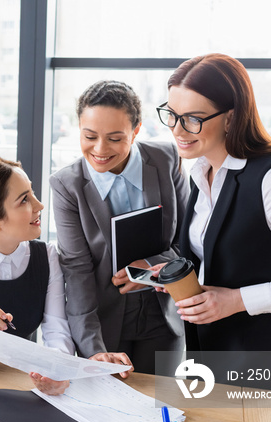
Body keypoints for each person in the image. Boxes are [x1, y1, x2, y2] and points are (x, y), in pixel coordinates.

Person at [156, 53, 271, 355]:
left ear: (231, 116)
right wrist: (170, 273)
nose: (177, 130)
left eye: (193, 118)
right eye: (172, 114)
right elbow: (228, 255)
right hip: (215, 355)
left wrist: (237, 300)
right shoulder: (202, 169)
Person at [0, 157, 132, 395]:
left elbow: (56, 331)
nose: (39, 205)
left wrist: (58, 372)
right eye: (24, 200)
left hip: (17, 382)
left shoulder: (47, 255)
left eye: (32, 193)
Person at [50, 80, 189, 375]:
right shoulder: (66, 185)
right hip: (103, 323)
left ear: (136, 131)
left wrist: (152, 268)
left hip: (163, 316)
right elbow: (77, 271)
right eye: (89, 136)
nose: (100, 149)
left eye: (115, 138)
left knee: (161, 407)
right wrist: (94, 349)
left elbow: (188, 242)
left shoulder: (167, 160)